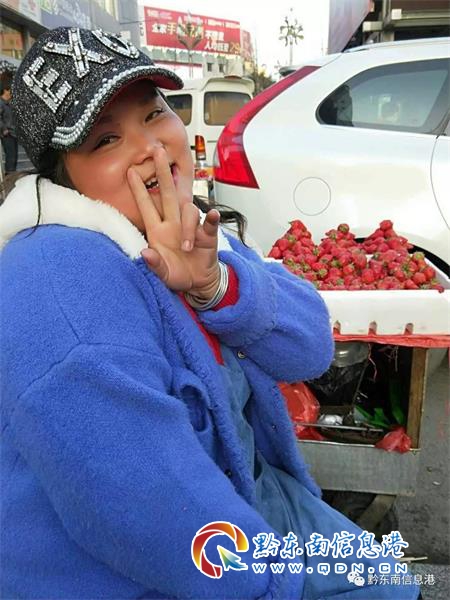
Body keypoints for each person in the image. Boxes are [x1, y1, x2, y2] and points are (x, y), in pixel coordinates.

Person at [0, 27, 420, 599]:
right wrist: (272, 587)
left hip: (256, 499)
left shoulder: (192, 228)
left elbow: (310, 348)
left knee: (394, 583)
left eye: (154, 113)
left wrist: (215, 284)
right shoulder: (57, 282)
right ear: (59, 177)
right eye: (105, 139)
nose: (150, 147)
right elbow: (150, 509)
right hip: (151, 570)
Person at [0, 83, 18, 174]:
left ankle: (12, 174)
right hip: (7, 134)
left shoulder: (9, 104)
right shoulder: (1, 103)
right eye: (10, 91)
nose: (11, 93)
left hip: (13, 133)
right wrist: (4, 129)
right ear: (5, 91)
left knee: (14, 156)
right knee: (10, 156)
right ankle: (9, 176)